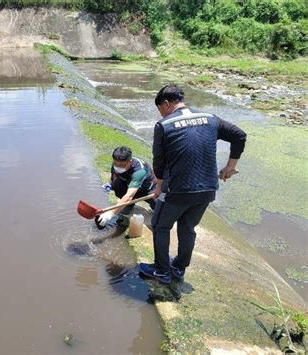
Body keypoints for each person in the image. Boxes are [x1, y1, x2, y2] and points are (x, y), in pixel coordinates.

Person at [139, 84, 246, 284]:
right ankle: (178, 268)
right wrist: (229, 167)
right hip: (207, 188)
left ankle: (162, 271)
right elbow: (239, 136)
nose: (161, 114)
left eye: (160, 109)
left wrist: (159, 185)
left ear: (166, 103)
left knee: (160, 225)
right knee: (187, 227)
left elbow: (159, 162)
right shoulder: (211, 118)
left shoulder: (164, 126)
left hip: (178, 190)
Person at [97, 146, 156, 228]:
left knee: (159, 207)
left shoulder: (139, 171)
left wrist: (111, 213)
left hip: (147, 190)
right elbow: (114, 178)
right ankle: (128, 205)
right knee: (116, 184)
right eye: (115, 163)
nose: (118, 167)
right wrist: (110, 184)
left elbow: (129, 195)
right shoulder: (116, 165)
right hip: (130, 186)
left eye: (121, 165)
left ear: (130, 162)